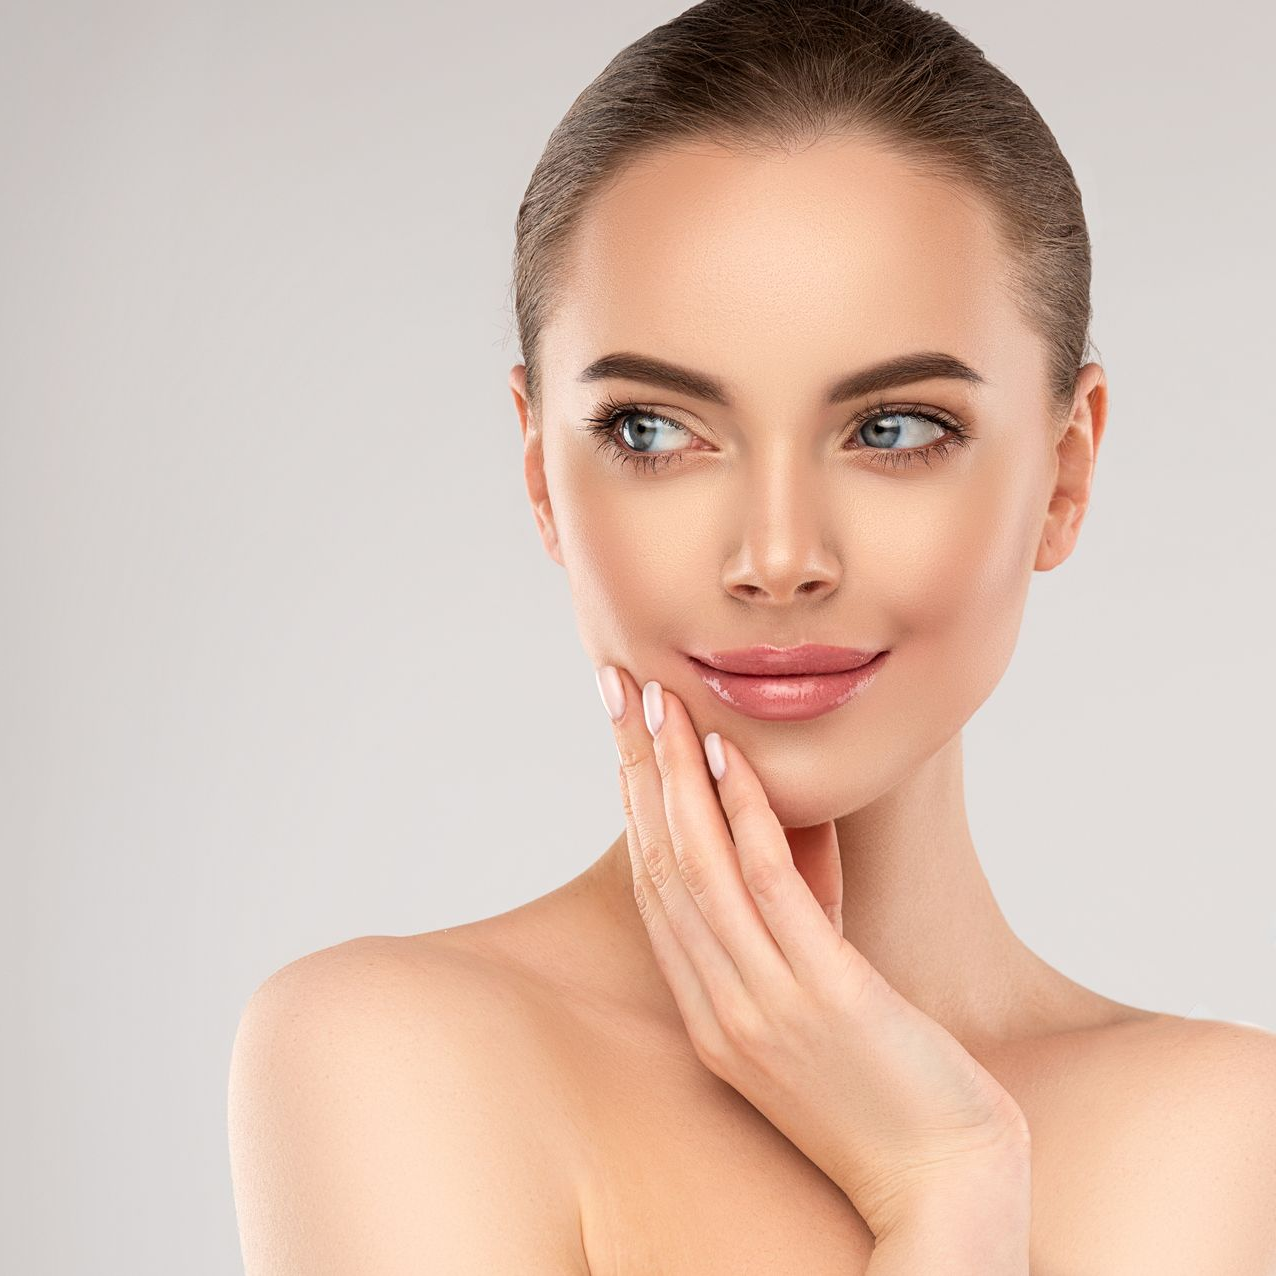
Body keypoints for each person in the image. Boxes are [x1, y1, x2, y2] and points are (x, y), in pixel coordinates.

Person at [228, 1, 1276, 1271]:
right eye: (654, 430)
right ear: (540, 472)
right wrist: (943, 1195)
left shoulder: (1223, 1131)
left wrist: (950, 1167)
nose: (778, 557)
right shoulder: (390, 1052)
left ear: (1063, 470)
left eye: (892, 428)